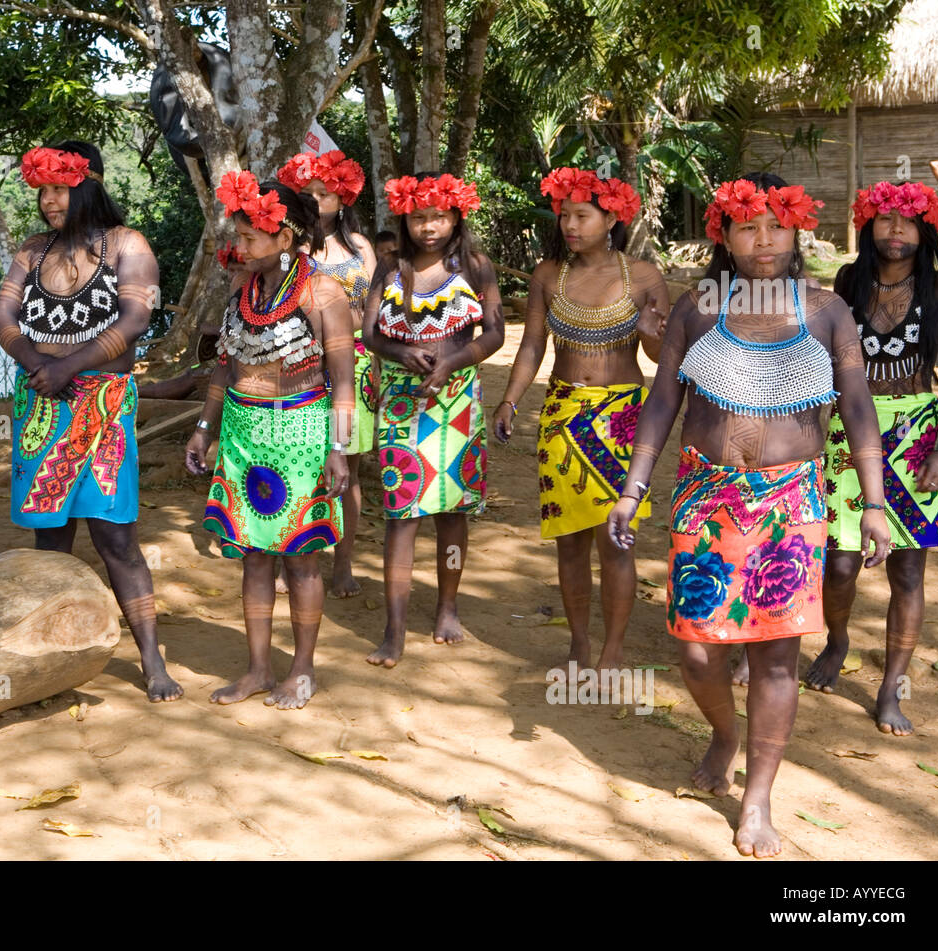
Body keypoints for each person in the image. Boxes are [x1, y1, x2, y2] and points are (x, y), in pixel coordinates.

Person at [608, 173, 890, 858]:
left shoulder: (828, 312)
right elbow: (660, 405)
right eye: (746, 226)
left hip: (791, 504)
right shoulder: (696, 310)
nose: (762, 240)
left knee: (775, 655)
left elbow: (856, 405)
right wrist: (633, 486)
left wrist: (875, 501)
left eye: (775, 225)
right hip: (706, 499)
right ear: (723, 235)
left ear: (797, 231)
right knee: (698, 648)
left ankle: (758, 794)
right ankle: (726, 734)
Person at [0, 142, 182, 702]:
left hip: (104, 405)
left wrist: (69, 365)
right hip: (40, 405)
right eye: (43, 190)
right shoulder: (32, 251)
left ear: (89, 185)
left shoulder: (128, 245)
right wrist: (37, 365)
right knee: (50, 538)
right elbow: (5, 319)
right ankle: (54, 655)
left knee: (115, 535)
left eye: (60, 188)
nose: (49, 201)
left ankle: (151, 657)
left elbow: (136, 319)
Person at [185, 171, 353, 709]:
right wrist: (204, 427)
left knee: (300, 557)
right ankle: (257, 669)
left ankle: (301, 670)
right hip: (242, 433)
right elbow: (223, 367)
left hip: (302, 433)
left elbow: (344, 381)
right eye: (237, 237)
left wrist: (339, 447)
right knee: (254, 557)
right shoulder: (244, 293)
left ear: (285, 237)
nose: (240, 246)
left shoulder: (323, 293)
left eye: (250, 238)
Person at [493, 167, 669, 671]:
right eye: (565, 214)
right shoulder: (550, 275)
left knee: (615, 540)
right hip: (563, 416)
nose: (570, 224)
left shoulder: (644, 277)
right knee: (568, 541)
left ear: (612, 216)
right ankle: (579, 641)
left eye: (582, 215)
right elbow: (530, 345)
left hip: (620, 421)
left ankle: (613, 648)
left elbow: (659, 356)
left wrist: (654, 330)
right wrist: (509, 401)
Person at [805, 180, 938, 735]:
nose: (897, 230)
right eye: (886, 220)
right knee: (839, 561)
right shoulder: (849, 281)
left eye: (909, 221)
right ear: (868, 227)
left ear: (926, 229)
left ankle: (891, 689)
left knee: (908, 569)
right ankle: (837, 640)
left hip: (919, 433)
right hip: (851, 429)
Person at [361, 172, 504, 667]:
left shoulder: (476, 267)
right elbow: (371, 335)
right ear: (404, 218)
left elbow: (495, 333)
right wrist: (401, 352)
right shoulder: (389, 268)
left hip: (458, 404)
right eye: (419, 217)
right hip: (401, 403)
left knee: (451, 514)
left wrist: (452, 363)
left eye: (439, 216)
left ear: (456, 216)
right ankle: (393, 627)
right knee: (401, 517)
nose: (428, 227)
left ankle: (447, 605)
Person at [278, 150, 377, 597]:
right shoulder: (286, 248)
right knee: (295, 468)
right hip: (298, 368)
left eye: (327, 193)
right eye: (309, 194)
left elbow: (375, 312)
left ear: (345, 197)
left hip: (353, 371)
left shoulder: (361, 250)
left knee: (348, 473)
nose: (318, 201)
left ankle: (343, 563)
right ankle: (291, 559)